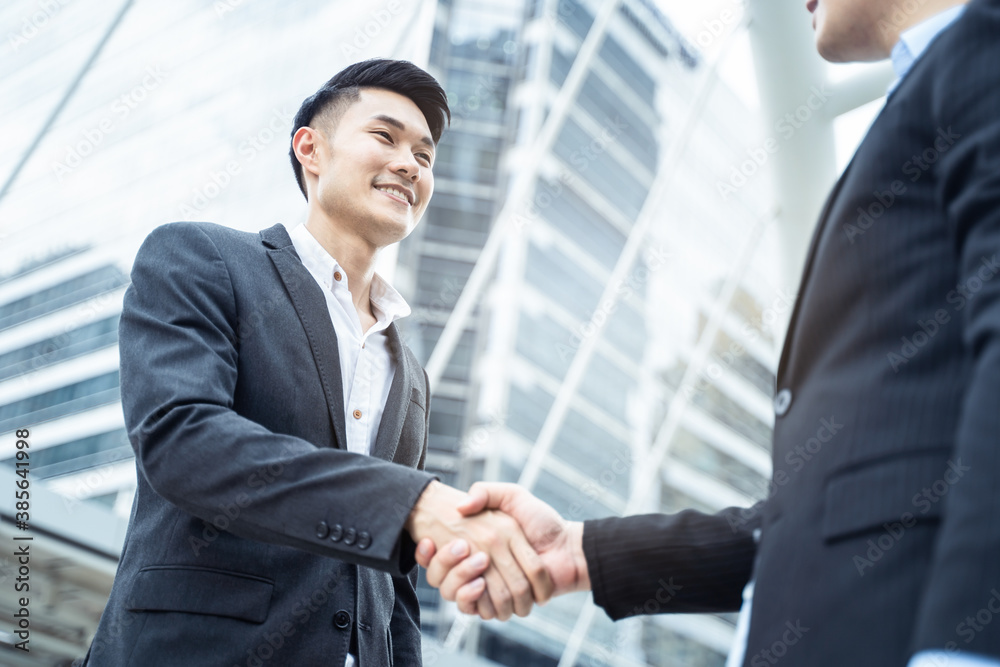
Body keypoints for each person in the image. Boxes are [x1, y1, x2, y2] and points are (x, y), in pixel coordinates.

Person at [418, 0, 1000, 665]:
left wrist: (966, 648)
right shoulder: (926, 94)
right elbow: (812, 515)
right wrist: (577, 550)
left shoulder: (982, 51)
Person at [83, 59, 550, 667]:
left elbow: (394, 583)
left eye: (426, 156)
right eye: (385, 137)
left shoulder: (410, 374)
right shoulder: (203, 259)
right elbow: (183, 441)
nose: (410, 164)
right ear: (311, 149)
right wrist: (409, 502)